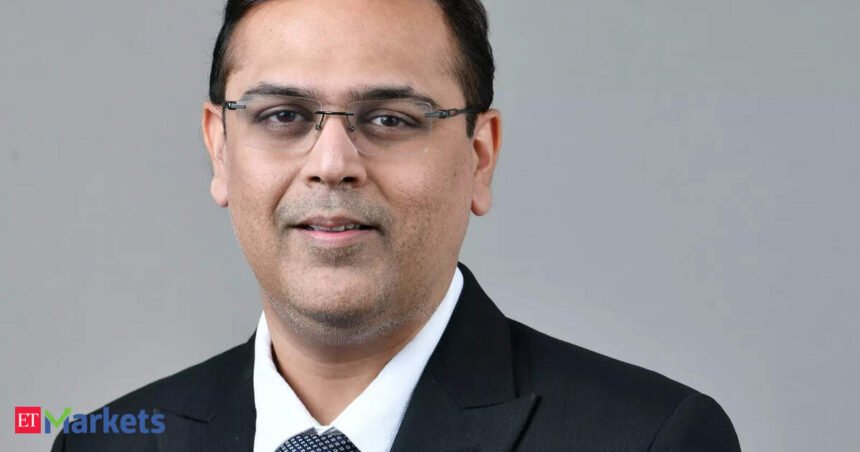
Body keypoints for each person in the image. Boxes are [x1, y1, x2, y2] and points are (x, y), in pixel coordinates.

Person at [52, 0, 741, 451]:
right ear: (220, 150)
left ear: (479, 157)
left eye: (390, 119)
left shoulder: (648, 439)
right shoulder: (106, 444)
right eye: (283, 116)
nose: (331, 165)